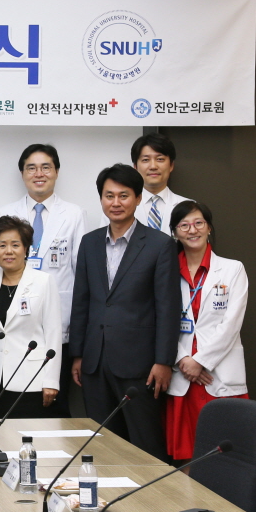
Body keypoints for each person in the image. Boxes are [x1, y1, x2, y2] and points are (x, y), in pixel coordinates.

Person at [70, 164, 181, 459]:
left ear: (138, 198)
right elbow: (81, 301)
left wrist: (163, 361)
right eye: (109, 196)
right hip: (94, 361)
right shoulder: (89, 242)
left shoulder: (159, 244)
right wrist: (79, 354)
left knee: (145, 444)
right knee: (101, 445)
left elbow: (168, 307)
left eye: (124, 195)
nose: (116, 203)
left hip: (140, 364)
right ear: (101, 199)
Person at [0, 144, 86, 415]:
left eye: (46, 167)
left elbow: (81, 274)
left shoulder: (74, 214)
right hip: (16, 325)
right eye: (31, 168)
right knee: (12, 403)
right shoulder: (6, 213)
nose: (39, 174)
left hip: (59, 325)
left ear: (56, 171)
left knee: (54, 404)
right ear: (22, 174)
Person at [165, 201, 249, 462]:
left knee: (224, 456)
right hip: (182, 376)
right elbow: (159, 321)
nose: (193, 230)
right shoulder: (165, 271)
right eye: (184, 225)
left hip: (218, 374)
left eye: (199, 223)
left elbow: (231, 324)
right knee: (185, 457)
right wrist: (183, 360)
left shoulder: (233, 269)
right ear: (174, 232)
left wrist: (200, 361)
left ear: (209, 228)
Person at [0, 216, 62, 419]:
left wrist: (51, 381)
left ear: (26, 248)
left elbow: (53, 333)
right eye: (2, 245)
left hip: (32, 379)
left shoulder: (43, 281)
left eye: (15, 245)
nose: (8, 251)